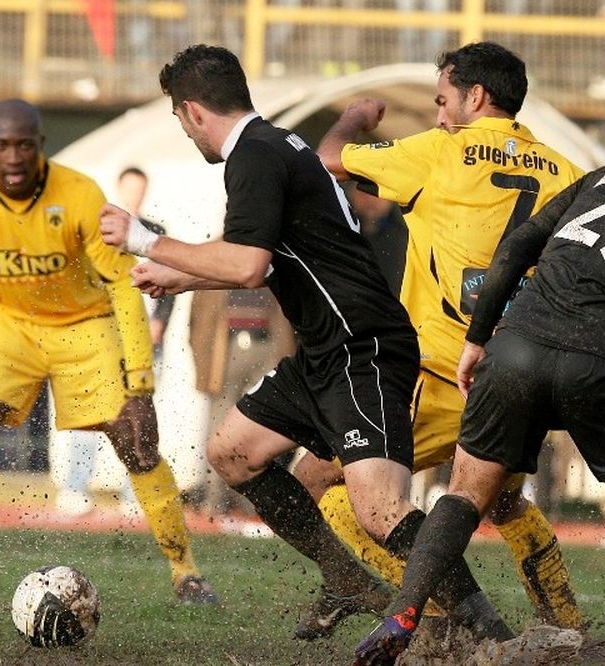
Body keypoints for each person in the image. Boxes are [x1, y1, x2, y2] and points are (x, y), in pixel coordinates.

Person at [99, 44, 513, 646]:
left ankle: (490, 631)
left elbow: (248, 264)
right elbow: (273, 261)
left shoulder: (253, 157)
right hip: (325, 350)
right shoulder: (276, 145)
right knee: (232, 452)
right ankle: (345, 580)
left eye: (178, 119)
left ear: (192, 111)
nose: (185, 131)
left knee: (380, 510)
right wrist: (184, 276)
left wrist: (145, 241)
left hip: (363, 347)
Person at [353, 102, 605, 666]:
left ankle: (403, 614)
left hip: (518, 346)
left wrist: (478, 338)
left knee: (465, 494)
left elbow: (519, 246)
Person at [0, 98, 218, 605]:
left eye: (24, 146)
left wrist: (140, 381)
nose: (13, 158)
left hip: (84, 325)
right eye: (1, 146)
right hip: (5, 324)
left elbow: (122, 285)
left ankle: (187, 574)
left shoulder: (78, 194)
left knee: (137, 441)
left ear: (41, 146)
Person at [304, 40, 585, 637]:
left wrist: (355, 117)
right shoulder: (568, 172)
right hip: (517, 377)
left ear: (474, 96)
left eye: (441, 100)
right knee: (504, 504)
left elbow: (325, 159)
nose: (437, 115)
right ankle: (570, 628)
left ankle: (442, 617)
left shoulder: (440, 152)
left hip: (435, 372)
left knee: (329, 488)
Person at [49, 165, 174, 518]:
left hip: (145, 342)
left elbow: (170, 283)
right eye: (129, 189)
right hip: (104, 340)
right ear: (119, 190)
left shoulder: (157, 234)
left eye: (139, 189)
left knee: (139, 416)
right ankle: (75, 487)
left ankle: (136, 494)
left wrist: (160, 322)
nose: (134, 195)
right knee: (90, 412)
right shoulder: (98, 232)